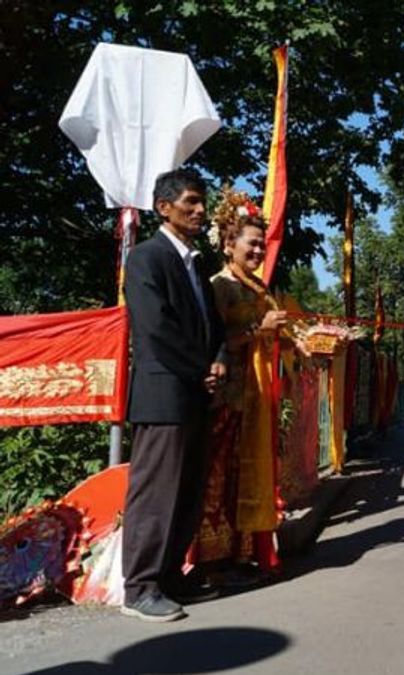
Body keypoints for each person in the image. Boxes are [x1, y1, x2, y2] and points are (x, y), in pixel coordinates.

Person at [121, 168, 226, 622]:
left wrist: (220, 358)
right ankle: (139, 587)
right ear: (164, 207)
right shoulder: (147, 258)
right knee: (156, 491)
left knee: (187, 490)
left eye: (202, 202)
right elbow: (155, 328)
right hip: (164, 393)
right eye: (190, 202)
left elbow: (213, 326)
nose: (200, 210)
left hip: (197, 392)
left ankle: (169, 576)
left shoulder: (197, 265)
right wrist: (201, 368)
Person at [192, 188, 293, 583]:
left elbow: (267, 337)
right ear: (229, 243)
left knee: (241, 479)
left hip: (254, 399)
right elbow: (214, 342)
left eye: (260, 245)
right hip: (227, 398)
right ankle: (210, 560)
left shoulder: (256, 288)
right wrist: (257, 329)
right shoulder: (220, 285)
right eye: (252, 245)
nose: (258, 252)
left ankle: (239, 554)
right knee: (218, 481)